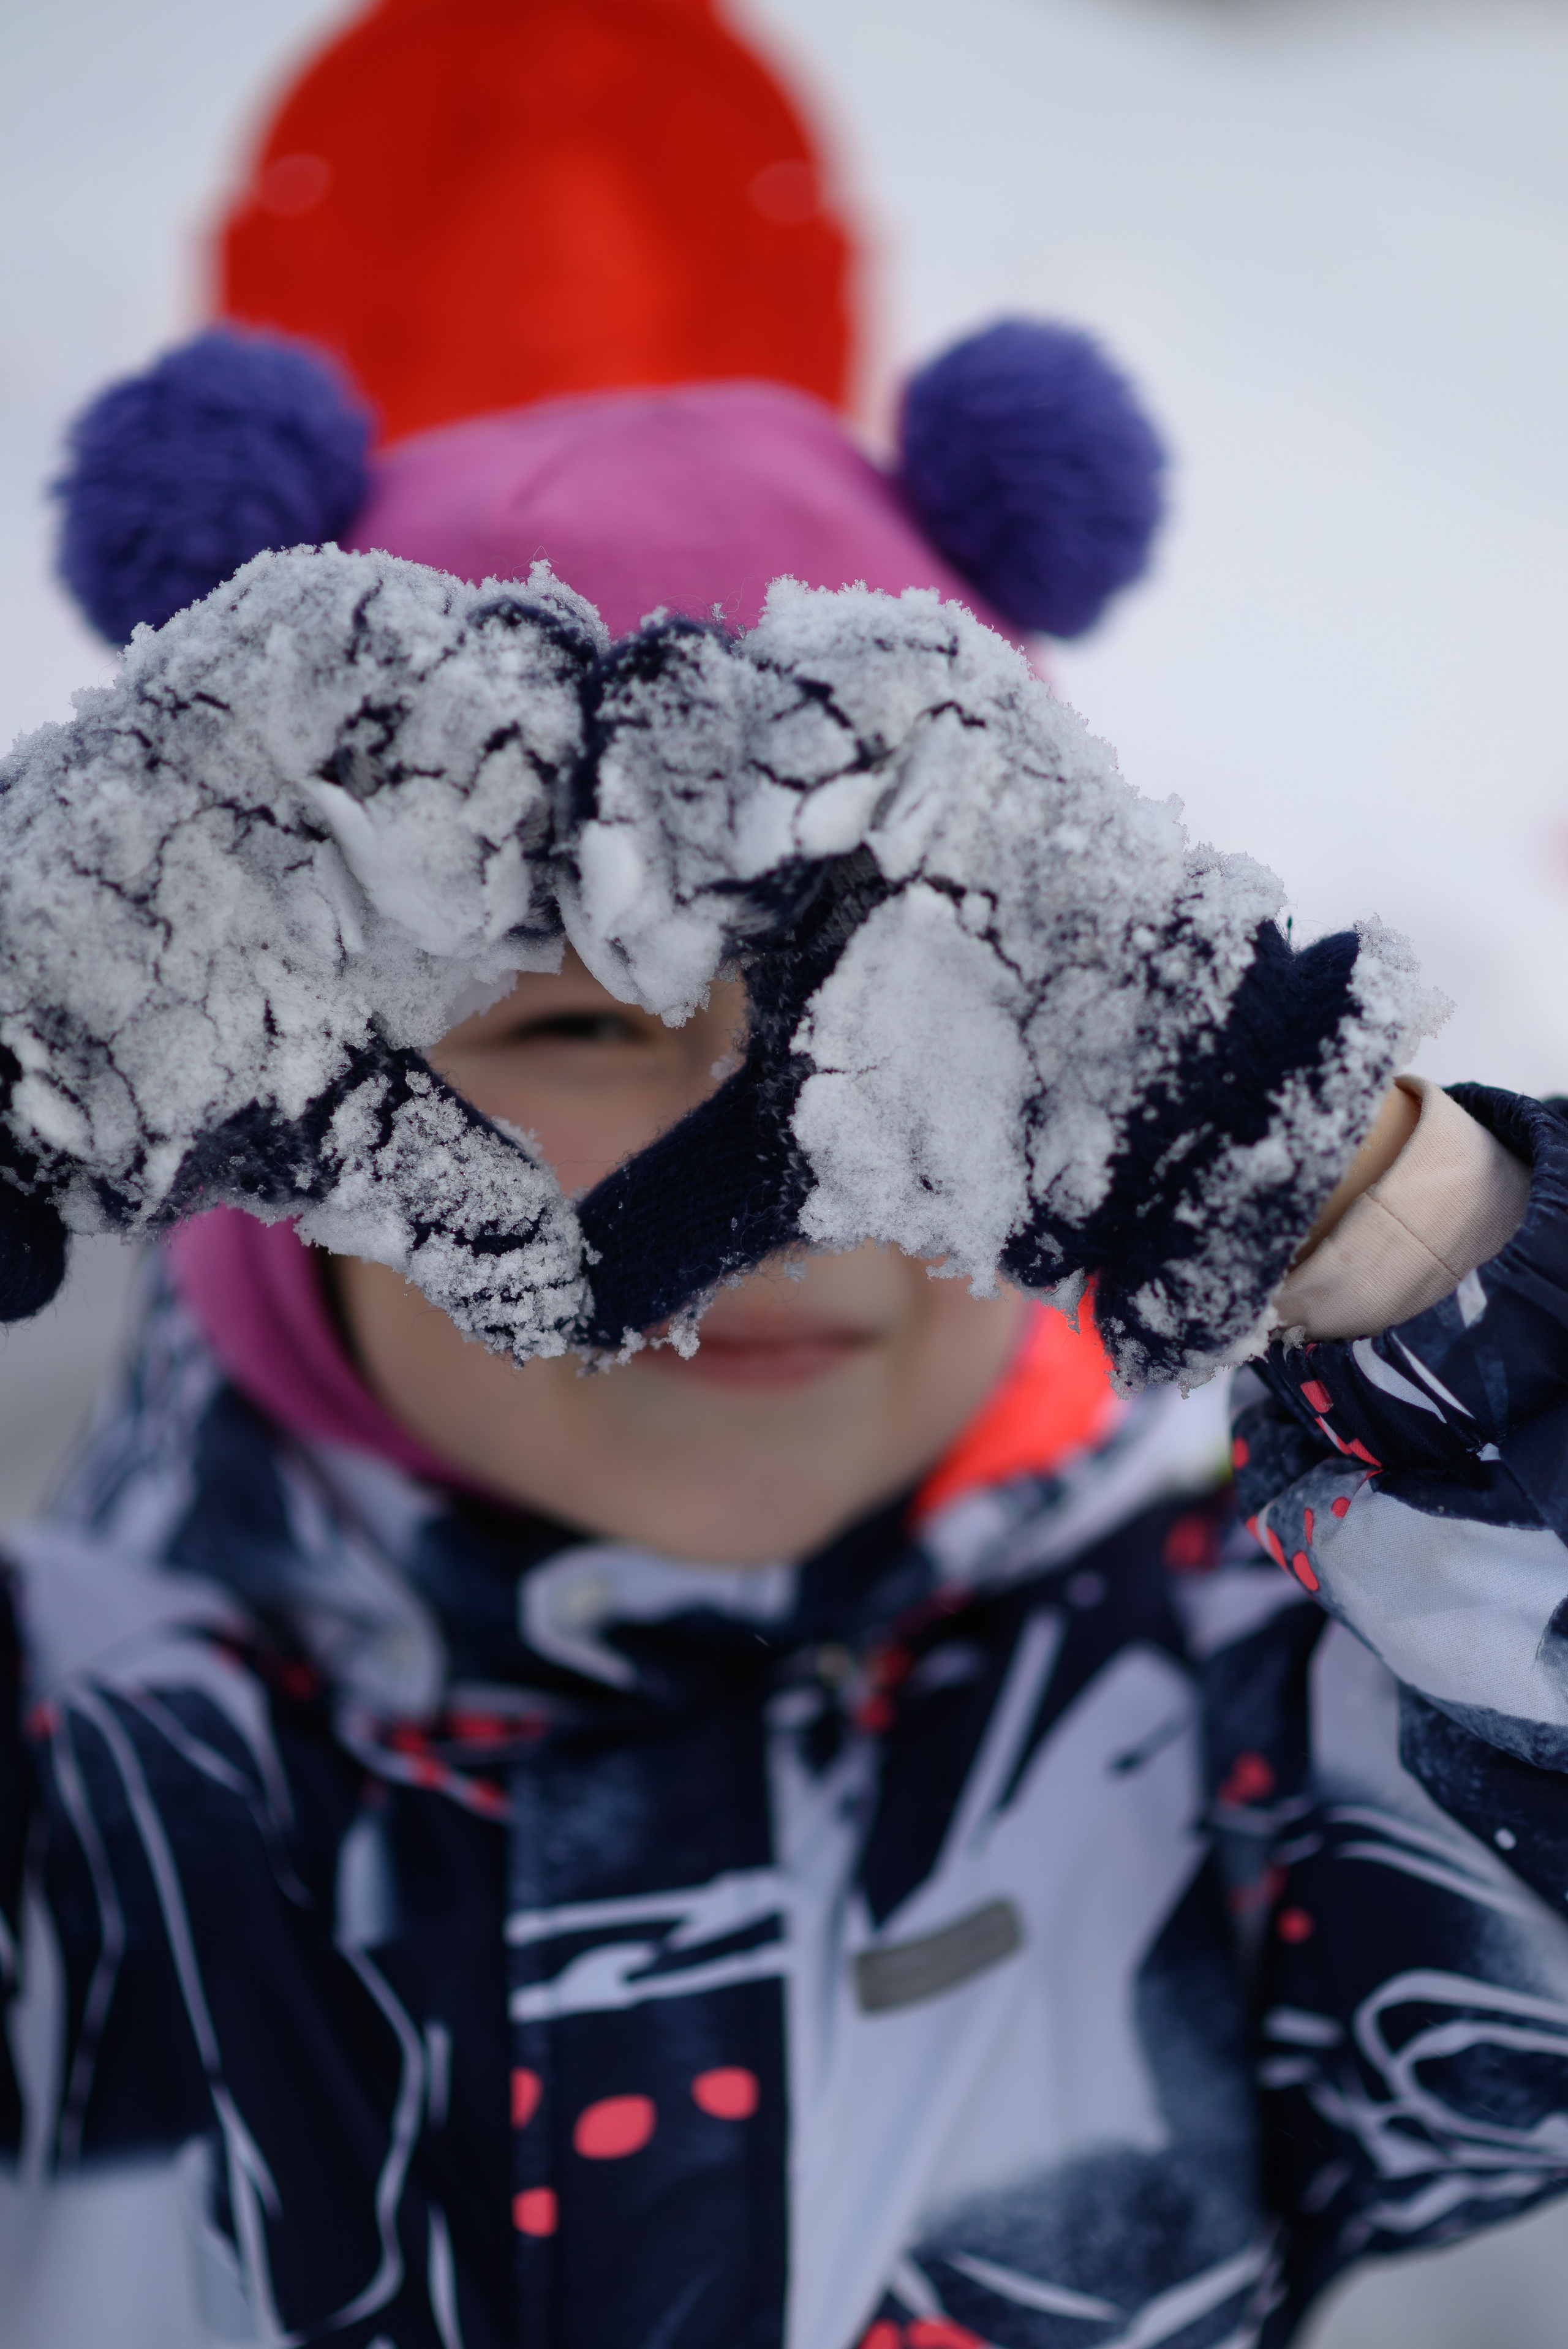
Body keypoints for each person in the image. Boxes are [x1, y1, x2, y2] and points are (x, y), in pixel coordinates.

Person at [0, 307, 1566, 2349]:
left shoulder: (1236, 1742)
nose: (789, 1182)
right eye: (578, 1020)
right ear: (265, 1088)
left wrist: (1342, 1183)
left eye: (921, 1031)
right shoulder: (70, 1770)